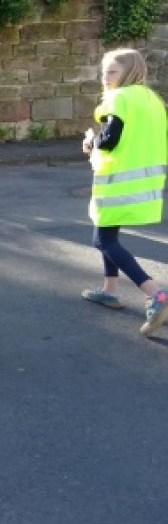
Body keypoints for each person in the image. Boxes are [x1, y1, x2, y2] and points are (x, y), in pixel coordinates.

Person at [80, 48, 168, 337]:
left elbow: (110, 139)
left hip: (117, 180)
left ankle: (155, 292)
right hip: (144, 182)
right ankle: (109, 289)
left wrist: (92, 141)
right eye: (104, 72)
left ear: (129, 72)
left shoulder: (119, 98)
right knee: (108, 233)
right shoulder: (152, 99)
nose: (105, 78)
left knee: (102, 239)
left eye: (112, 72)